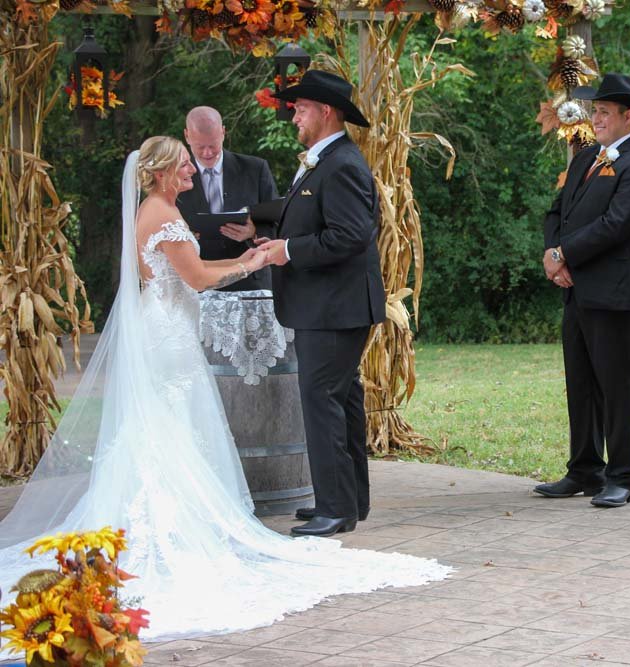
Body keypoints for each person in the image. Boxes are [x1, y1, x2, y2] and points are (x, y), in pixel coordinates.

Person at [0, 137, 448, 644]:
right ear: (163, 172)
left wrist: (250, 257)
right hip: (168, 336)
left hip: (168, 330)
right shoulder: (160, 215)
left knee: (168, 427)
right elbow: (193, 279)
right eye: (185, 163)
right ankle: (167, 523)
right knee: (172, 424)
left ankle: (173, 514)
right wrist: (252, 264)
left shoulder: (162, 208)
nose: (194, 168)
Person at [256, 71, 386, 536]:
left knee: (322, 399)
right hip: (328, 304)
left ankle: (336, 507)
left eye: (301, 107)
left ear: (325, 111)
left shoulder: (343, 163)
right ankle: (347, 501)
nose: (294, 114)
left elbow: (350, 236)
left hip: (335, 306)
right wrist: (270, 239)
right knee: (341, 398)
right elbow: (313, 221)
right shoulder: (322, 161)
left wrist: (287, 251)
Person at [532, 73, 630, 508]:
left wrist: (565, 254)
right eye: (595, 111)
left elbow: (616, 226)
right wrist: (555, 255)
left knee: (616, 386)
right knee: (582, 383)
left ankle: (622, 475)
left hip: (618, 294)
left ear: (629, 116)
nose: (597, 118)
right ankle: (584, 468)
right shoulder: (586, 156)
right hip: (577, 290)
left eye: (605, 112)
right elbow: (558, 211)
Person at [177, 106, 279, 291]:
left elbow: (281, 221)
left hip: (251, 283)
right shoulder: (175, 177)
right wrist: (184, 238)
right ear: (187, 136)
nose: (208, 153)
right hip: (197, 284)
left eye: (213, 145)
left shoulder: (255, 169)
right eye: (200, 147)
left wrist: (254, 231)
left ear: (223, 132)